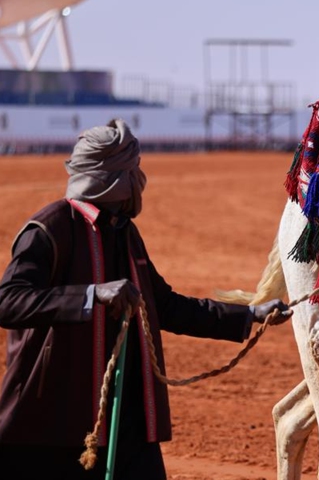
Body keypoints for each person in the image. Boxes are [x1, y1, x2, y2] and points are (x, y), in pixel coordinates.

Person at [0, 119, 292, 480]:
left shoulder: (125, 233)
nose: (141, 180)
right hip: (57, 424)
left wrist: (248, 314)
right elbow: (9, 301)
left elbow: (165, 306)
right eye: (134, 170)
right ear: (115, 178)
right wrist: (93, 295)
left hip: (128, 417)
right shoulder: (50, 229)